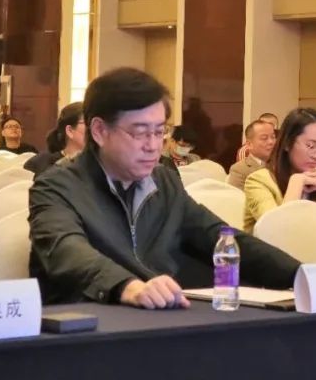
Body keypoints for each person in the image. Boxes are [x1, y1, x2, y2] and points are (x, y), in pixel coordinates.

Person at [28, 67, 300, 309]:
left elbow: (219, 237)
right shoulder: (56, 187)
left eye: (159, 132)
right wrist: (127, 286)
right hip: (92, 321)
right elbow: (68, 251)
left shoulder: (164, 182)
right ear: (99, 131)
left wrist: (300, 275)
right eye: (140, 132)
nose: (153, 146)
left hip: (159, 315)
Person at [243, 109, 316, 233]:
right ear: (287, 143)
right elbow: (277, 232)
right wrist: (296, 182)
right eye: (311, 146)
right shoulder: (258, 181)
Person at [25, 102, 86, 176]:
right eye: (88, 123)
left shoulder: (97, 165)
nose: (94, 129)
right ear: (70, 131)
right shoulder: (40, 164)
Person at [226, 119, 277, 190]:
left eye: (273, 137)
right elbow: (237, 196)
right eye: (264, 138)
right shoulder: (239, 170)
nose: (271, 142)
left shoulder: (280, 164)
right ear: (249, 144)